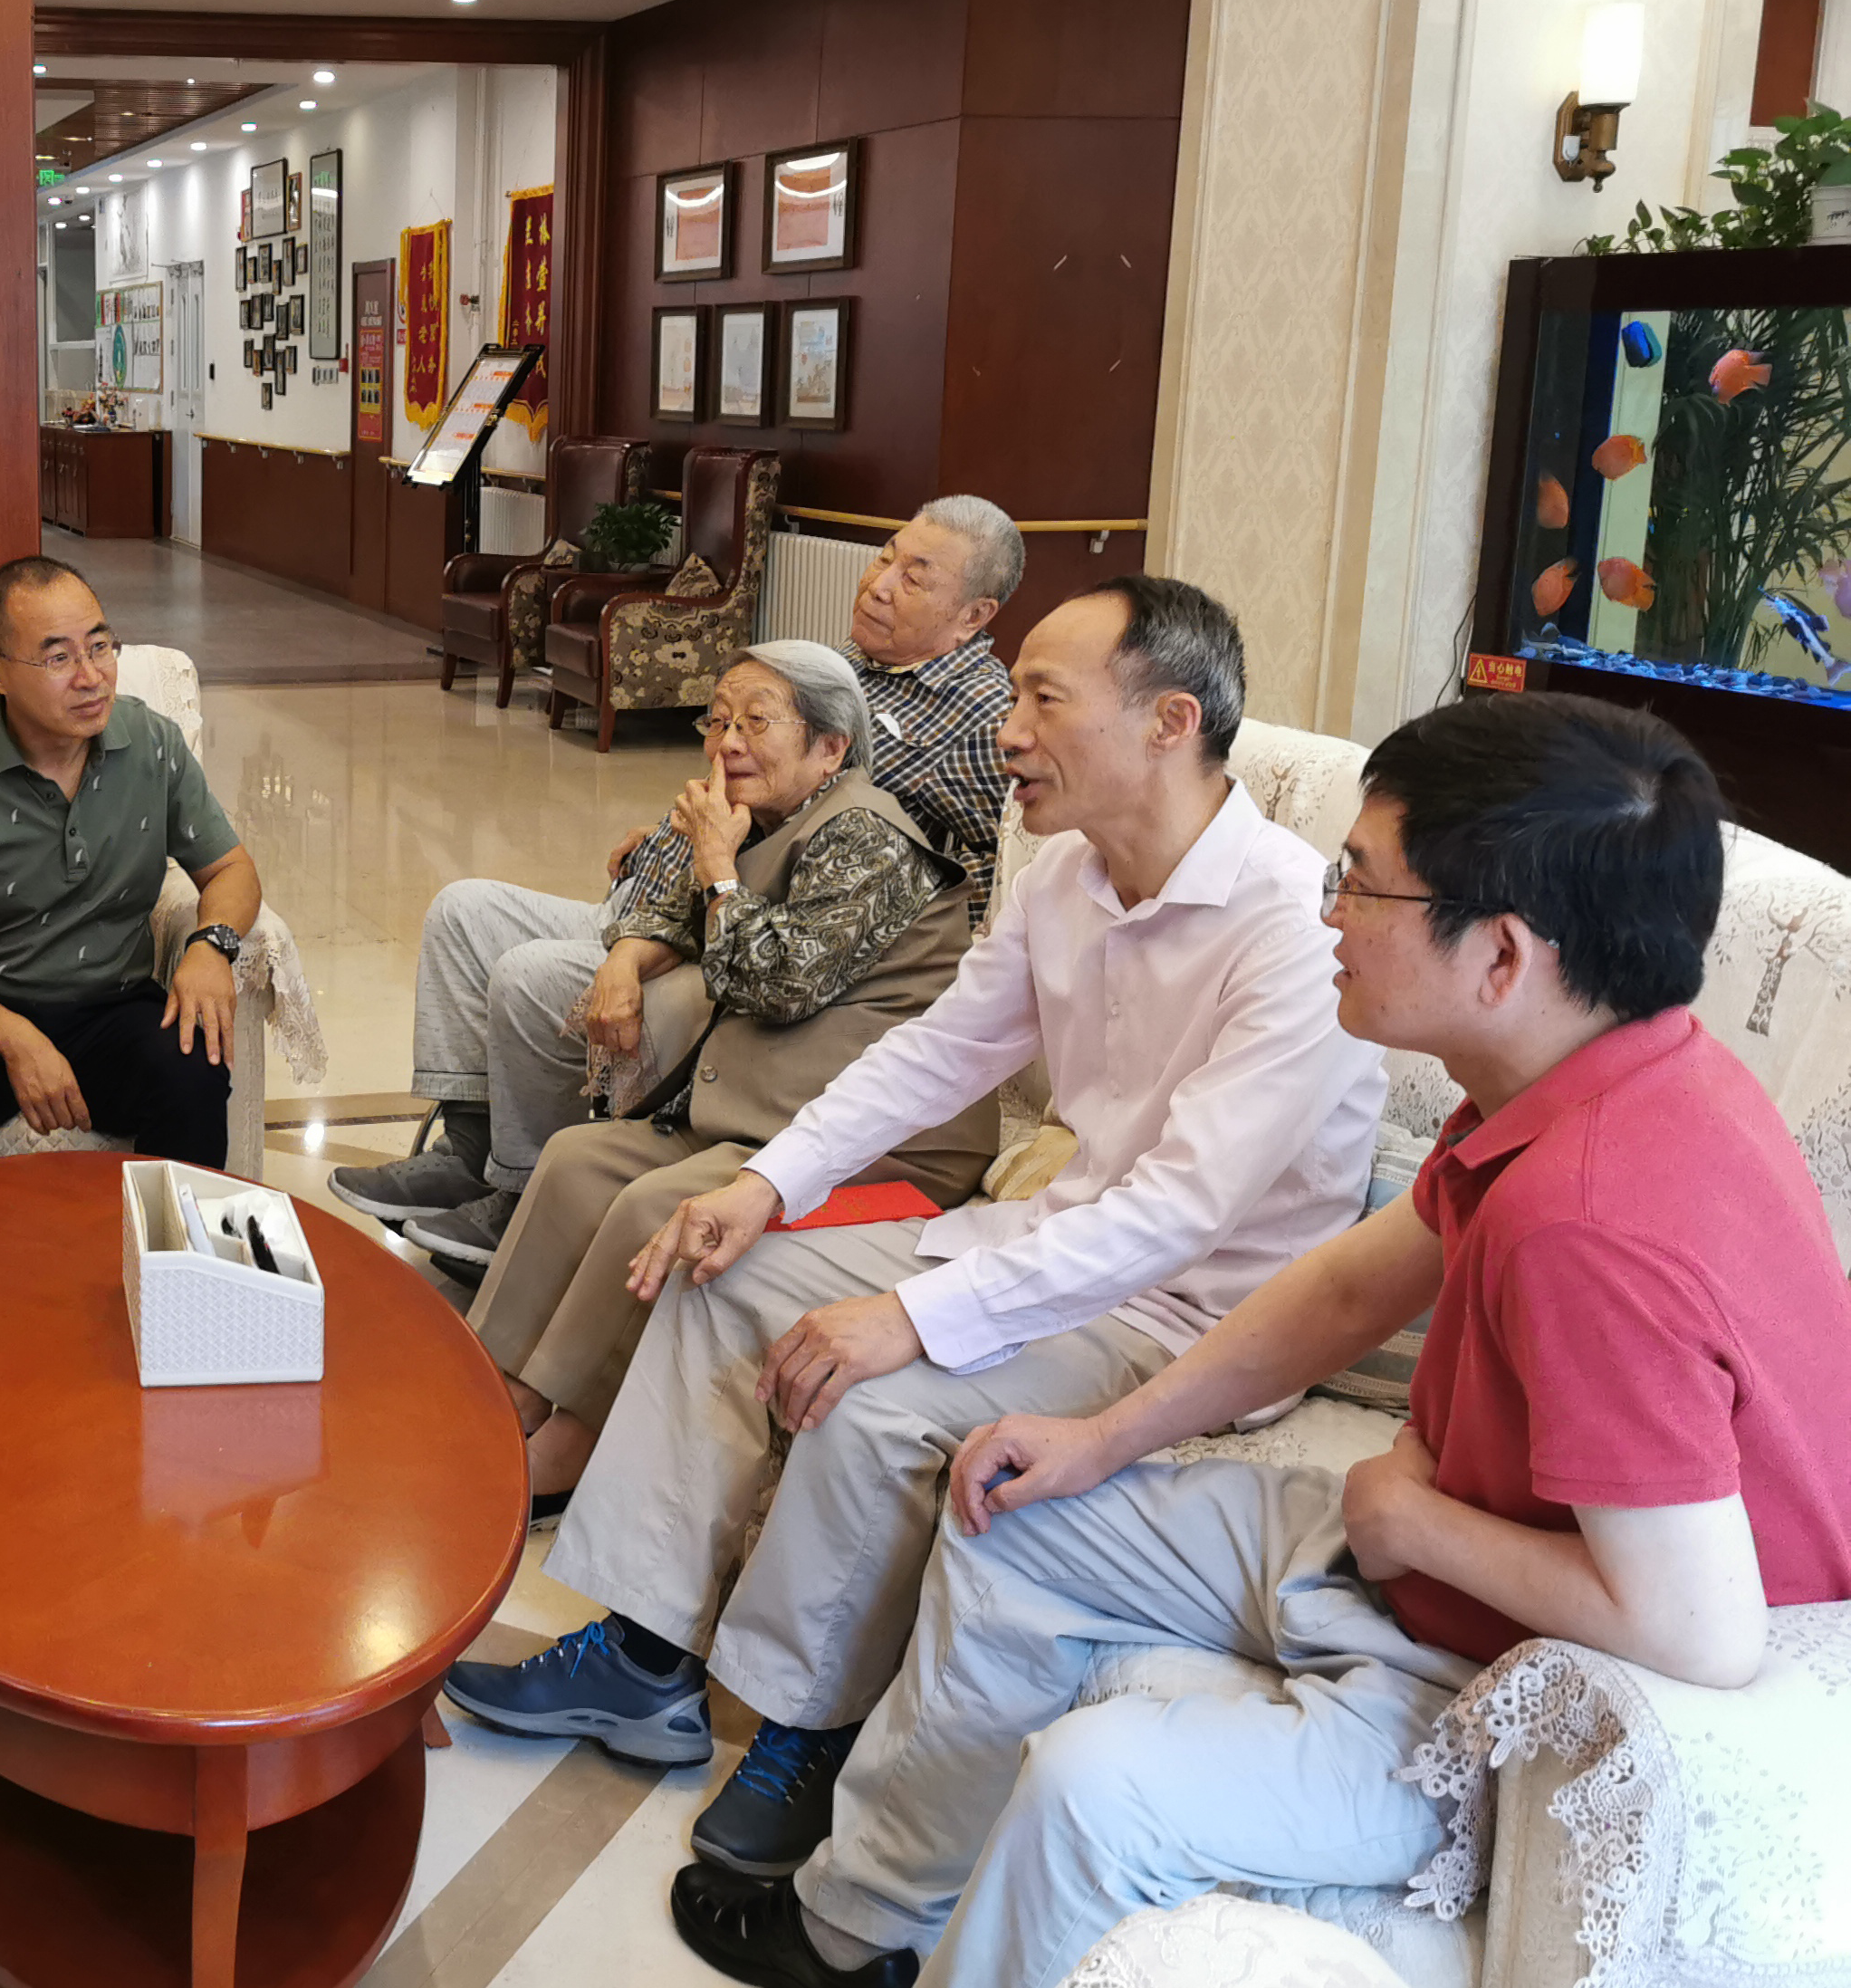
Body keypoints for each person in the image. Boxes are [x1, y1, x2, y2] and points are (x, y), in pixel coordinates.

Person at [675, 694, 1851, 1988]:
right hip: (1437, 1564)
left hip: (1517, 1679)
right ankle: (865, 1929)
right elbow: (1346, 1292)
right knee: (1013, 1507)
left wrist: (1412, 1522)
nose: (1327, 913)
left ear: (1502, 956)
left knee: (1092, 1788)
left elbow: (1702, 1630)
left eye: (1362, 882)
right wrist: (1099, 1439)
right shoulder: (1596, 1072)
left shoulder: (1588, 1221)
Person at [444, 577, 1386, 1875]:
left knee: (875, 1394)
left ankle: (807, 1727)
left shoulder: (1293, 929)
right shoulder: (1066, 876)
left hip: (1193, 1314)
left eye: (1042, 698)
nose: (1006, 731)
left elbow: (1181, 1214)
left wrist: (910, 1317)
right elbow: (932, 1055)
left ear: (1169, 721)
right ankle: (648, 1661)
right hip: (1052, 1239)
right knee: (721, 1272)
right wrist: (765, 1185)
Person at [333, 498, 1024, 1266]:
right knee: (464, 912)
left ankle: (520, 1194)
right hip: (664, 898)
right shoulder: (852, 665)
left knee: (530, 977)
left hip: (733, 937)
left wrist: (758, 896)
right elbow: (750, 789)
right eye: (886, 555)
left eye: (915, 577)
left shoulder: (982, 720)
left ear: (975, 614)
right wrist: (666, 834)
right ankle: (471, 1147)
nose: (880, 583)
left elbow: (991, 870)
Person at [465, 644, 999, 1516]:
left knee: (655, 1205)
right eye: (717, 721)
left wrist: (716, 863)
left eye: (757, 721)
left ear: (830, 747)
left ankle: (578, 1437)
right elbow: (669, 913)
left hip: (881, 1142)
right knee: (577, 1160)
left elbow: (778, 983)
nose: (728, 742)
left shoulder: (869, 836)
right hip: (763, 1108)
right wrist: (626, 960)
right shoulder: (765, 816)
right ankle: (504, 1390)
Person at [0, 554, 264, 1194]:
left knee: (191, 1062)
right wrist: (15, 1038)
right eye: (58, 658)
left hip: (112, 1004)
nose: (91, 677)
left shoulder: (153, 744)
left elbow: (232, 869)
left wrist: (210, 947)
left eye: (100, 647)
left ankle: (173, 1252)